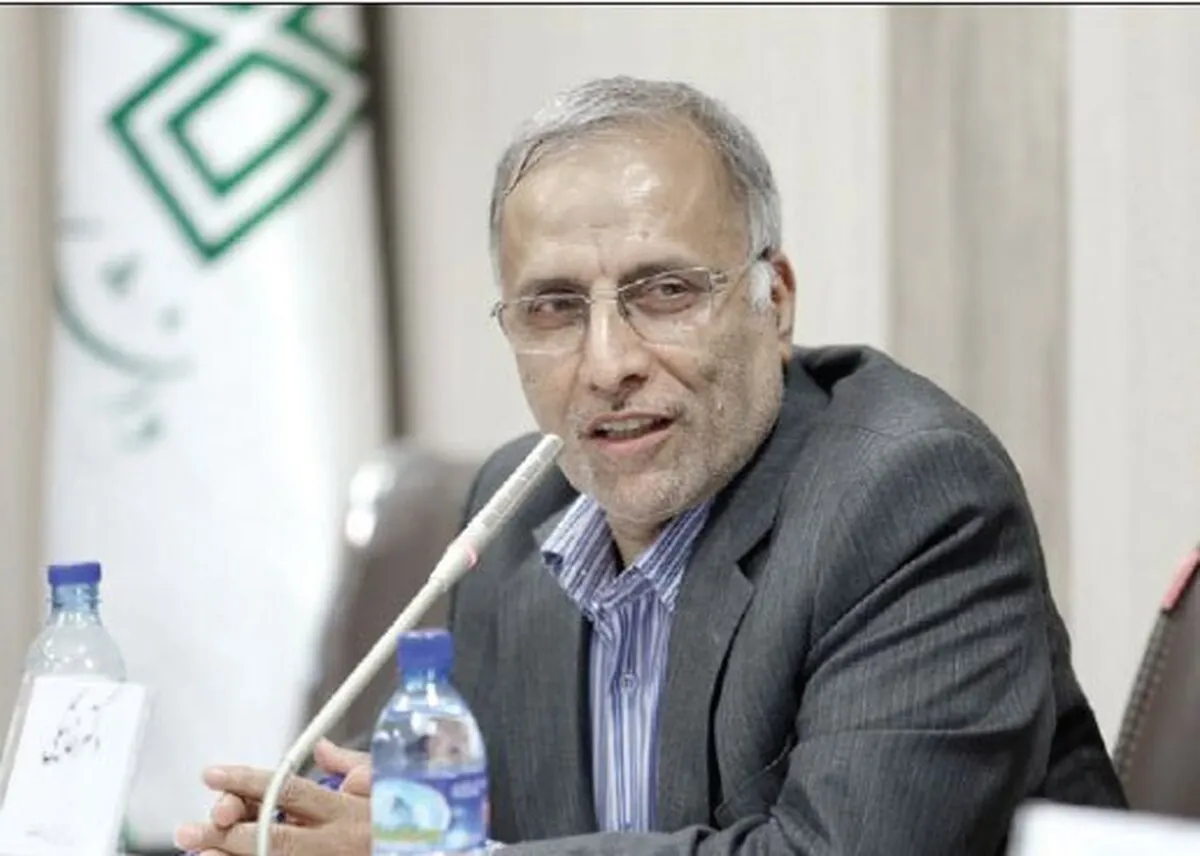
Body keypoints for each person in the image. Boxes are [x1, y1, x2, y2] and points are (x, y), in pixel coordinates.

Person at [175, 76, 1125, 856]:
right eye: (553, 308)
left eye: (665, 291)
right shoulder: (514, 516)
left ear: (775, 300)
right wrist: (393, 828)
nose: (607, 364)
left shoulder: (912, 499)